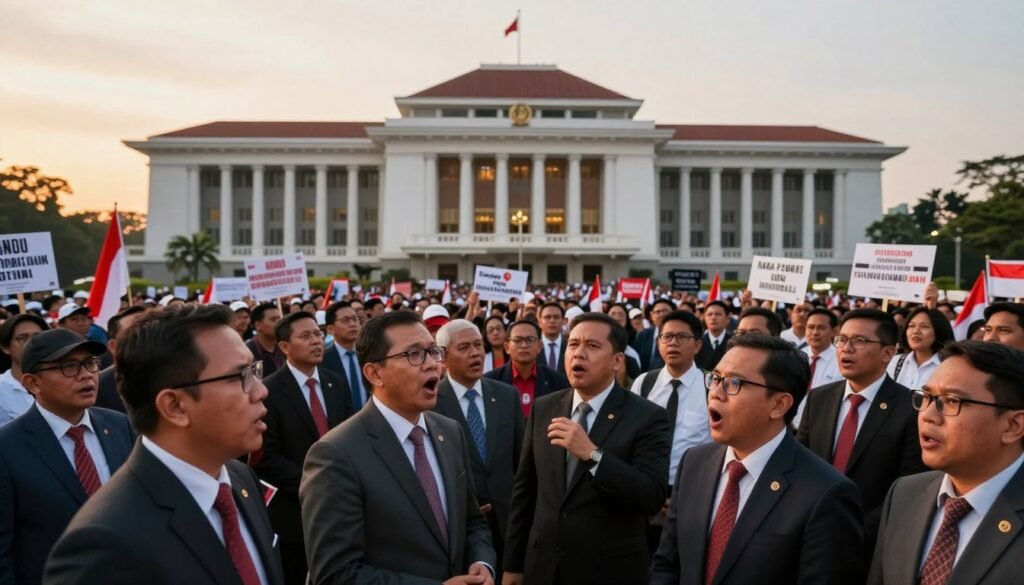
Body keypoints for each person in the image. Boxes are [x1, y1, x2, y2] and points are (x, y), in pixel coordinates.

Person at [43, 305, 284, 585]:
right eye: (239, 376)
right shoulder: (105, 544)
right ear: (174, 406)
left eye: (254, 371)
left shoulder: (240, 480)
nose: (261, 389)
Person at [651, 335, 865, 585]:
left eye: (733, 383)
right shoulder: (695, 463)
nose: (715, 393)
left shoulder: (826, 493)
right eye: (715, 378)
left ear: (779, 405)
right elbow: (668, 563)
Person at [300, 311, 496, 585]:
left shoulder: (450, 432)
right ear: (375, 373)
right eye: (414, 355)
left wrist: (482, 562)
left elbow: (473, 521)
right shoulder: (335, 454)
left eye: (433, 352)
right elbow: (335, 573)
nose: (432, 365)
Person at [503, 313, 670, 585]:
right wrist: (512, 564)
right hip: (544, 568)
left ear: (617, 361)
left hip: (607, 570)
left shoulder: (647, 416)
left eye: (592, 346)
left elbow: (650, 495)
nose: (578, 354)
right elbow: (525, 492)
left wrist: (593, 456)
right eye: (573, 344)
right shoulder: (544, 407)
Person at [868, 341, 1024, 584]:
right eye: (927, 397)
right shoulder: (904, 494)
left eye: (952, 401)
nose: (928, 416)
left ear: (1013, 426)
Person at [0, 329, 134, 585]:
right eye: (69, 367)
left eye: (90, 363)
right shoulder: (7, 448)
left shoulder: (119, 426)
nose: (86, 375)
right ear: (32, 383)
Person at [797, 309, 927, 555]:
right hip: (810, 535)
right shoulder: (819, 399)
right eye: (842, 339)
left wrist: (854, 533)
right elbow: (800, 464)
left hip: (869, 544)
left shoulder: (910, 408)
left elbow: (910, 486)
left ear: (888, 352)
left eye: (859, 341)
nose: (846, 348)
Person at [254, 311, 355, 585]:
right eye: (306, 336)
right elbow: (266, 458)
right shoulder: (268, 391)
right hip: (296, 514)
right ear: (285, 346)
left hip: (344, 508)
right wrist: (314, 481)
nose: (316, 341)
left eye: (318, 334)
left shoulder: (336, 383)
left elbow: (351, 438)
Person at [434, 320, 525, 579]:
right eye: (464, 347)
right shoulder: (430, 403)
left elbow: (521, 462)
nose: (475, 353)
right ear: (443, 356)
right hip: (461, 530)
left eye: (478, 345)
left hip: (509, 525)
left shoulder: (507, 396)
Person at [630, 310, 711, 553]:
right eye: (667, 337)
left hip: (692, 492)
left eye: (681, 337)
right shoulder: (644, 383)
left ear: (697, 345)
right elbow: (630, 438)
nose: (673, 343)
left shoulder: (712, 386)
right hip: (645, 489)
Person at [484, 320, 568, 418]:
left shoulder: (557, 381)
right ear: (507, 347)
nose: (524, 345)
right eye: (517, 340)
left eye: (530, 340)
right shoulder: (490, 382)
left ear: (539, 346)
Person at [793, 308, 842, 427]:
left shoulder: (841, 361)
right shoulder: (795, 356)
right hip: (790, 425)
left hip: (821, 426)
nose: (815, 332)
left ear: (835, 331)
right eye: (810, 327)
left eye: (821, 328)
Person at [887, 307, 954, 390]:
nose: (916, 331)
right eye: (911, 326)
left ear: (939, 331)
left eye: (924, 326)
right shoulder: (895, 362)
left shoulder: (949, 366)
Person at [95, 306, 146, 413]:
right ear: (113, 346)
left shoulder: (183, 375)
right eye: (134, 332)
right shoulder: (97, 387)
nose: (146, 336)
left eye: (151, 328)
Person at [320, 301, 369, 411]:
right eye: (345, 320)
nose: (352, 324)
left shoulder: (371, 354)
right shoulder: (323, 360)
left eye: (355, 319)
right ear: (330, 329)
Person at [0, 314, 48, 426]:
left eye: (38, 337)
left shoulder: (64, 382)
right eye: (22, 338)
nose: (31, 343)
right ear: (5, 348)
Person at [632, 299, 675, 372]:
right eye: (658, 312)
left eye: (665, 311)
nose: (661, 314)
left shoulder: (679, 336)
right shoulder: (642, 335)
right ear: (651, 316)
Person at [247, 303, 286, 377]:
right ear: (258, 325)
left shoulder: (287, 347)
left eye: (279, 319)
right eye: (273, 320)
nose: (279, 323)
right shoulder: (248, 352)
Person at [696, 301, 732, 371]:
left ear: (727, 319)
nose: (713, 318)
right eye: (709, 314)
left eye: (718, 314)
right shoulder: (697, 343)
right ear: (704, 317)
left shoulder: (734, 343)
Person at [538, 303, 567, 375]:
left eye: (556, 317)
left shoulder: (570, 347)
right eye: (547, 317)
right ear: (540, 322)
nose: (552, 321)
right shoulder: (532, 347)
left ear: (564, 321)